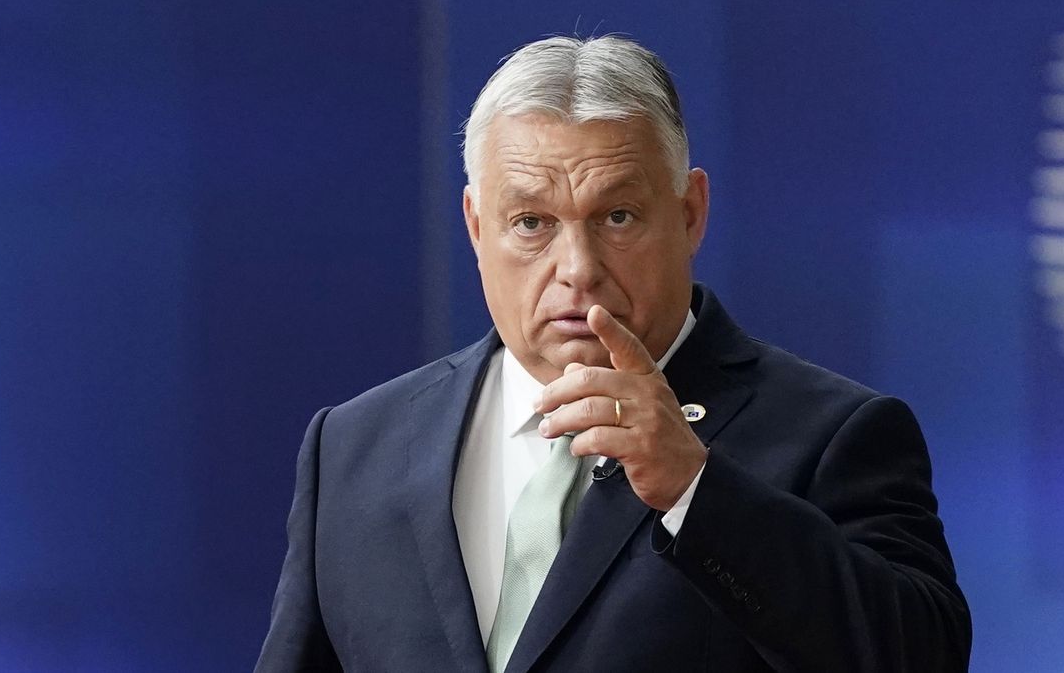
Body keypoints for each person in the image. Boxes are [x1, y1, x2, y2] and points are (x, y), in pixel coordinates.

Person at [255, 35, 972, 672]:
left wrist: (696, 488)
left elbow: (920, 655)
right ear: (476, 227)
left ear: (689, 213)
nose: (578, 267)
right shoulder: (354, 447)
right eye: (531, 221)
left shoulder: (836, 434)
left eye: (618, 216)